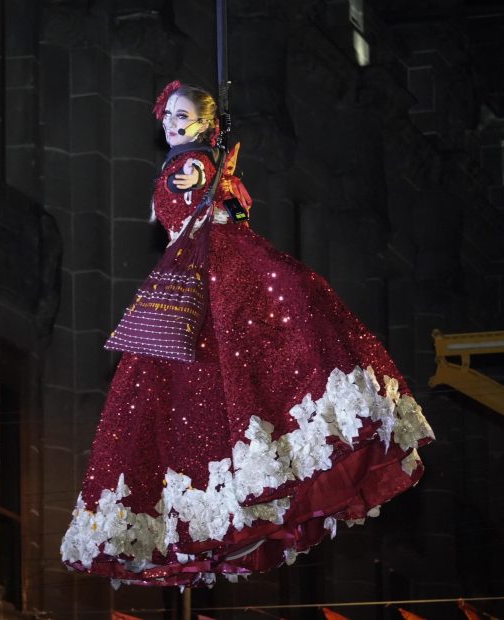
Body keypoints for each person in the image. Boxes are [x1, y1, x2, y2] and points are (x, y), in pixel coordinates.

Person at [61, 81, 434, 588]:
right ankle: (248, 500)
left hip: (217, 266)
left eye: (183, 115)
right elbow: (185, 212)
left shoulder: (190, 167)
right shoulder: (196, 167)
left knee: (230, 366)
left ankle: (262, 488)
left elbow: (192, 209)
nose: (171, 123)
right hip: (199, 271)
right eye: (167, 114)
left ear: (208, 124)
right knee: (207, 385)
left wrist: (214, 168)